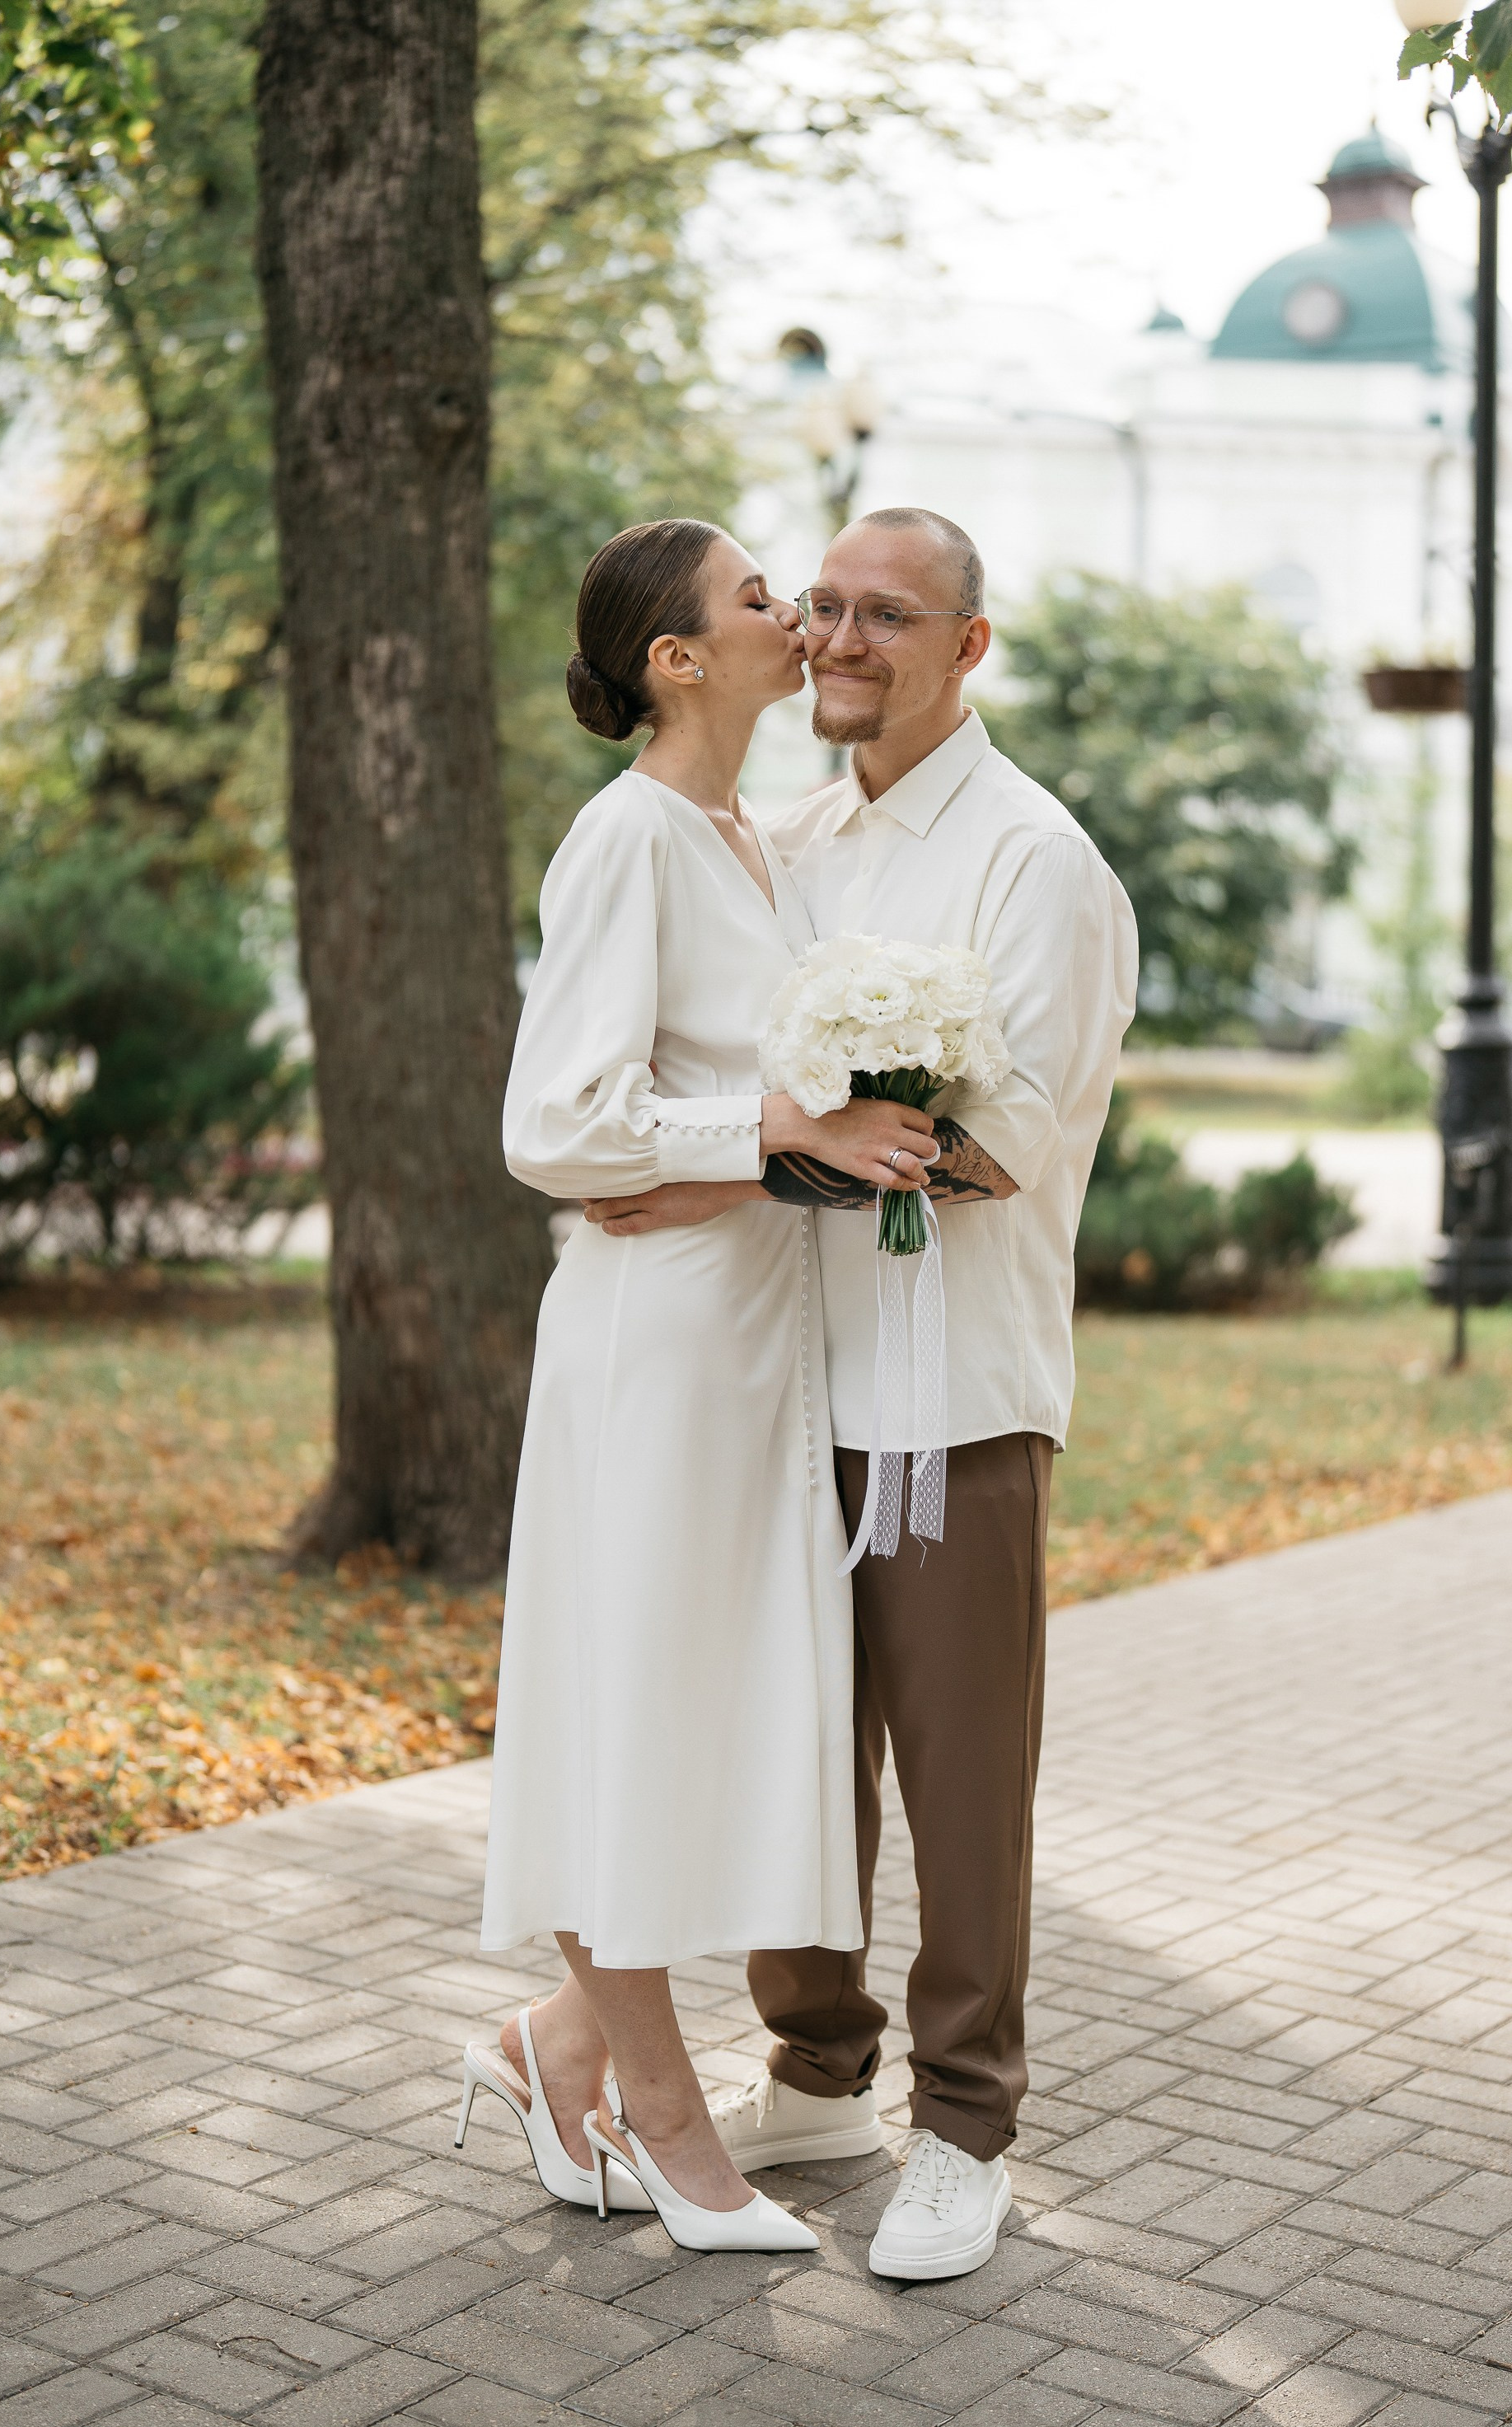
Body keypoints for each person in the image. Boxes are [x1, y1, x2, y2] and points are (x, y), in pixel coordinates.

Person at [586, 507, 1137, 2280]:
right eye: (817, 605)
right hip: (771, 1378)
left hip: (949, 1388)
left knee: (962, 1778)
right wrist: (715, 1158)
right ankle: (817, 2071)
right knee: (790, 1763)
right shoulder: (780, 833)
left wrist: (736, 1164)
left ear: (967, 646)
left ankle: (965, 2126)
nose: (836, 638)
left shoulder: (1034, 861)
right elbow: (720, 1082)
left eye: (883, 615)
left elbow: (1000, 1142)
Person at [460, 517, 942, 2254]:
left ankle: (550, 2049)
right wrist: (770, 1132)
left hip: (756, 1340)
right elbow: (552, 1126)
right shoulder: (630, 842)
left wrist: (761, 1155)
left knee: (707, 1715)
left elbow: (723, 1120)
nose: (801, 620)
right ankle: (665, 2116)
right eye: (764, 601)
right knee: (637, 1715)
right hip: (653, 1348)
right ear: (678, 660)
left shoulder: (755, 842)